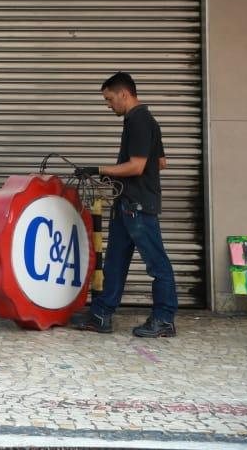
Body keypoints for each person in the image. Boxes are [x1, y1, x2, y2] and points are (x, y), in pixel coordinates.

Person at [70, 72, 178, 338]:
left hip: (138, 206)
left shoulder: (139, 121)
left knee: (156, 263)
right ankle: (101, 314)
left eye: (109, 99)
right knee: (115, 262)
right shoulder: (145, 120)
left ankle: (164, 318)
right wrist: (115, 175)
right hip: (126, 203)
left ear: (124, 94)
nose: (108, 105)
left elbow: (138, 165)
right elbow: (160, 162)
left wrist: (98, 169)